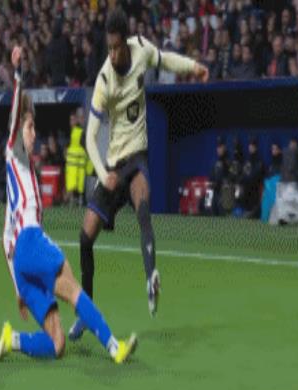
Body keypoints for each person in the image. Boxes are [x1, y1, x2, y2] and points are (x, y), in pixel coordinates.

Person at [68, 8, 209, 340]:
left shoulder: (142, 49)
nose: (113, 54)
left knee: (144, 208)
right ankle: (86, 311)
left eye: (117, 47)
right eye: (109, 48)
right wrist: (102, 173)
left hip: (137, 157)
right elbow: (90, 137)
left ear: (126, 41)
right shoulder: (105, 80)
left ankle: (151, 277)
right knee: (85, 238)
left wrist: (194, 67)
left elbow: (165, 60)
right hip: (114, 167)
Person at [0, 46, 137, 365]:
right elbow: (15, 117)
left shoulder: (19, 173)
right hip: (31, 242)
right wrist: (17, 74)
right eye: (30, 128)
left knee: (57, 344)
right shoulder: (14, 152)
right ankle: (114, 346)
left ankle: (11, 340)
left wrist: (18, 288)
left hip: (21, 262)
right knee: (74, 290)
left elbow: (5, 237)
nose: (34, 134)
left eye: (33, 128)